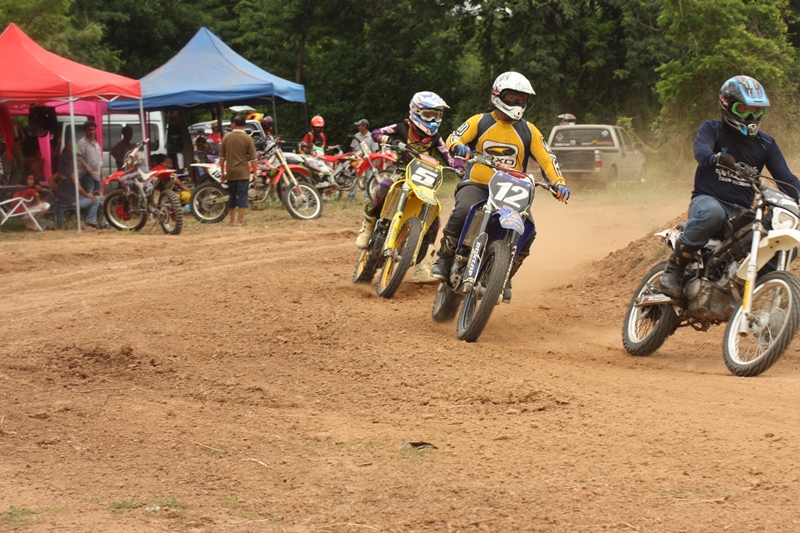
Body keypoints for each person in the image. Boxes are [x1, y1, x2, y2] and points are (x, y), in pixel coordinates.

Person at [432, 71, 570, 302]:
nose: (517, 102)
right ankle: (444, 258)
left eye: (521, 98)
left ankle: (504, 276)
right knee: (463, 210)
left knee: (528, 230)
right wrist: (458, 147)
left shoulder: (529, 130)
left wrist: (559, 183)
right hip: (478, 184)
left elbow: (547, 159)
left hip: (511, 190)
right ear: (498, 95)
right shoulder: (480, 121)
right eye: (512, 97)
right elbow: (455, 137)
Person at [659, 75, 800, 298]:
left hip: (740, 214)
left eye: (755, 110)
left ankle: (751, 290)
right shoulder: (712, 129)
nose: (750, 116)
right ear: (726, 106)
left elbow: (787, 180)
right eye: (743, 109)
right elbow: (701, 151)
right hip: (707, 201)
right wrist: (716, 158)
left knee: (785, 242)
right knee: (712, 214)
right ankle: (674, 271)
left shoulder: (766, 144)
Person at [354, 91, 459, 282]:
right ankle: (367, 229)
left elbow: (448, 157)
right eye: (429, 115)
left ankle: (422, 268)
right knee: (382, 189)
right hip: (402, 172)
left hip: (426, 180)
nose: (433, 120)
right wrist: (390, 141)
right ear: (416, 111)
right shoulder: (402, 127)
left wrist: (460, 167)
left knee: (433, 221)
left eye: (437, 115)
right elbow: (377, 133)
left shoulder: (436, 137)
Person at [53, 135, 100, 230]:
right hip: (71, 202)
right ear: (72, 162)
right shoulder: (72, 172)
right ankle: (88, 223)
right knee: (96, 201)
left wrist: (57, 191)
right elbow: (78, 187)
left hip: (60, 201)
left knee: (86, 197)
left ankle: (60, 226)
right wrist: (87, 196)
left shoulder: (62, 171)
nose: (79, 164)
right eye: (78, 162)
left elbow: (50, 179)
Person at [219, 115, 257, 226]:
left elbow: (222, 158)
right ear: (244, 125)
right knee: (242, 196)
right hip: (243, 173)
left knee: (232, 195)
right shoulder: (248, 138)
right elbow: (253, 159)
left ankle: (232, 220)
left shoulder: (226, 137)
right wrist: (255, 174)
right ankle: (240, 220)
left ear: (233, 124)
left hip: (231, 172)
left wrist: (222, 172)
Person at [348, 119, 379, 200]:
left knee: (369, 178)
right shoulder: (356, 136)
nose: (358, 127)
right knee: (355, 177)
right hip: (357, 159)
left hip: (368, 160)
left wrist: (372, 161)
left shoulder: (371, 136)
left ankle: (367, 196)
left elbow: (374, 150)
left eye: (359, 125)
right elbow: (353, 148)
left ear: (364, 126)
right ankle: (351, 195)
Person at [77, 121, 103, 194]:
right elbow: (77, 156)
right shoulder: (81, 142)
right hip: (87, 175)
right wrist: (87, 168)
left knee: (98, 196)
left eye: (93, 129)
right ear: (85, 131)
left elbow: (100, 160)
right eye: (89, 130)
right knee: (89, 195)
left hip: (96, 175)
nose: (91, 132)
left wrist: (102, 175)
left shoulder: (96, 143)